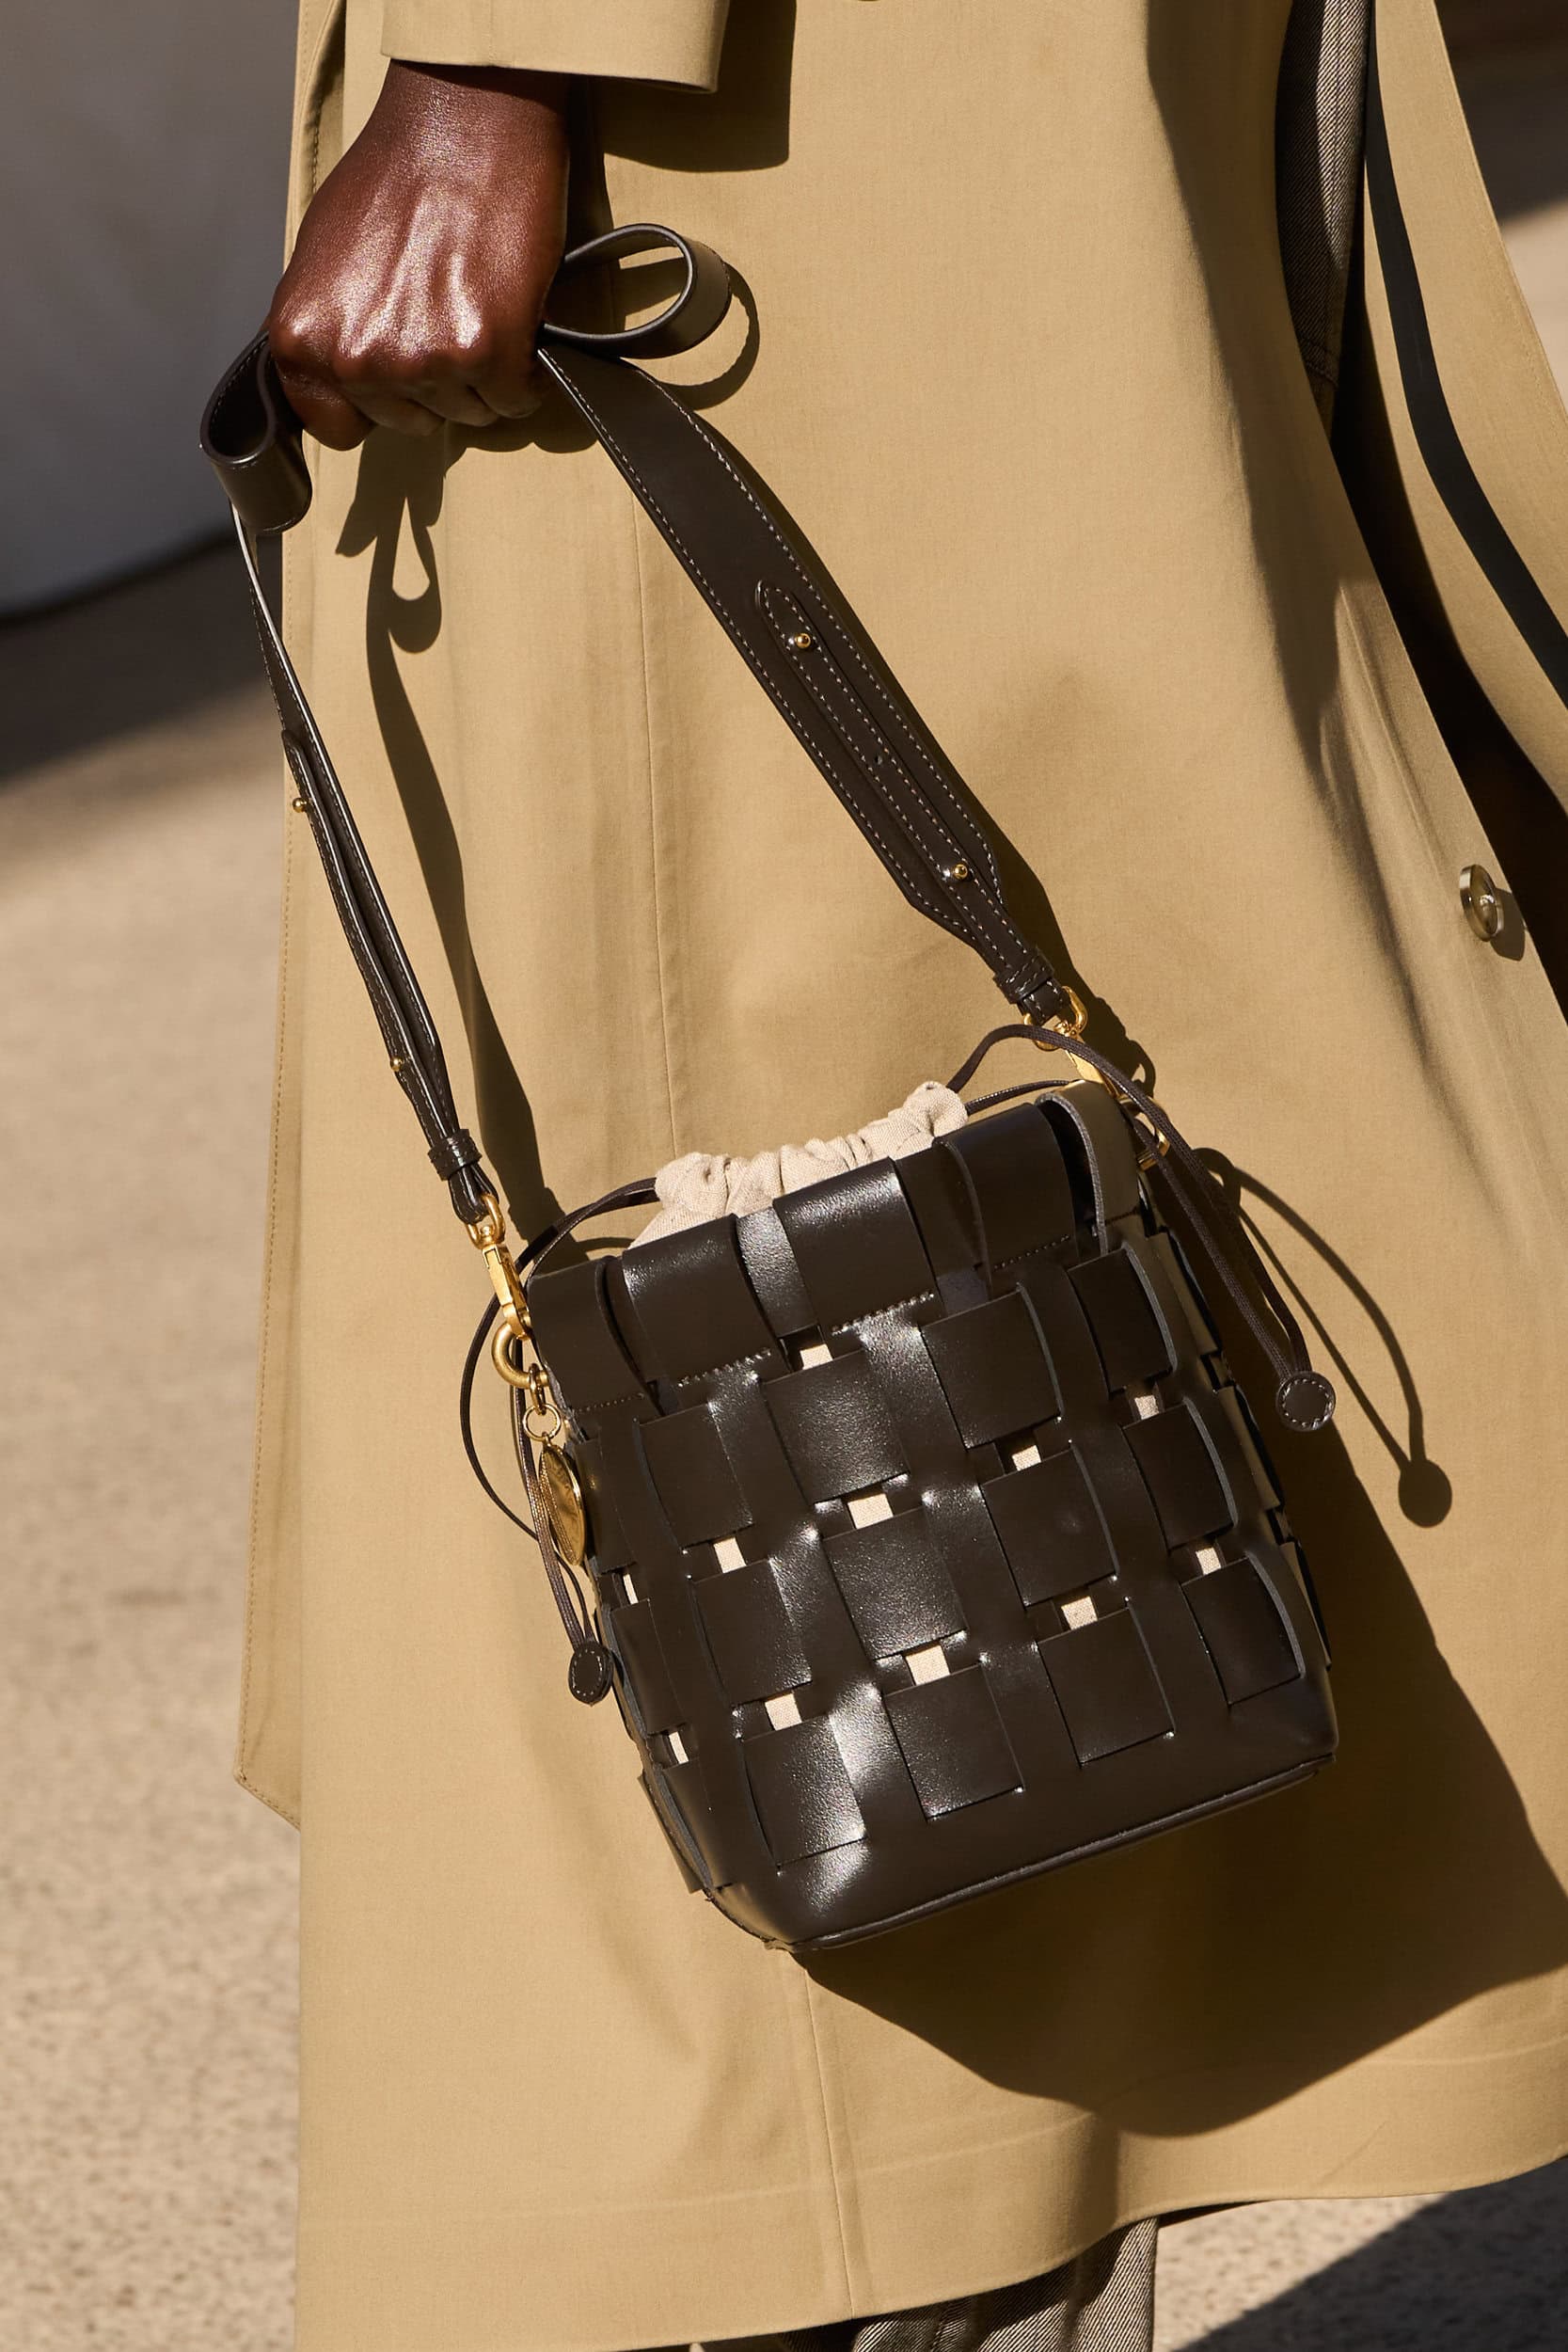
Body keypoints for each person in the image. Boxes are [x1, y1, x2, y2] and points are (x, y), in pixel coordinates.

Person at [242, 5, 1568, 2349]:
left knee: (762, 1234)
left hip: (746, 116)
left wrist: (491, 62)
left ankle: (917, 2231)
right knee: (1177, 958)